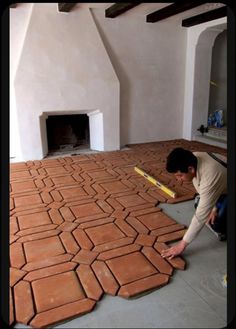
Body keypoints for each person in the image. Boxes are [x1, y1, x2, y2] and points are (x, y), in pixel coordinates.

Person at [161, 147, 227, 260]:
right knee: (203, 206)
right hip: (222, 186)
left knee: (218, 224)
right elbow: (212, 188)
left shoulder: (210, 176)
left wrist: (182, 245)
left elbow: (200, 217)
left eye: (180, 175)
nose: (179, 180)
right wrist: (213, 208)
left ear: (190, 169)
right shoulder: (193, 158)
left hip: (224, 188)